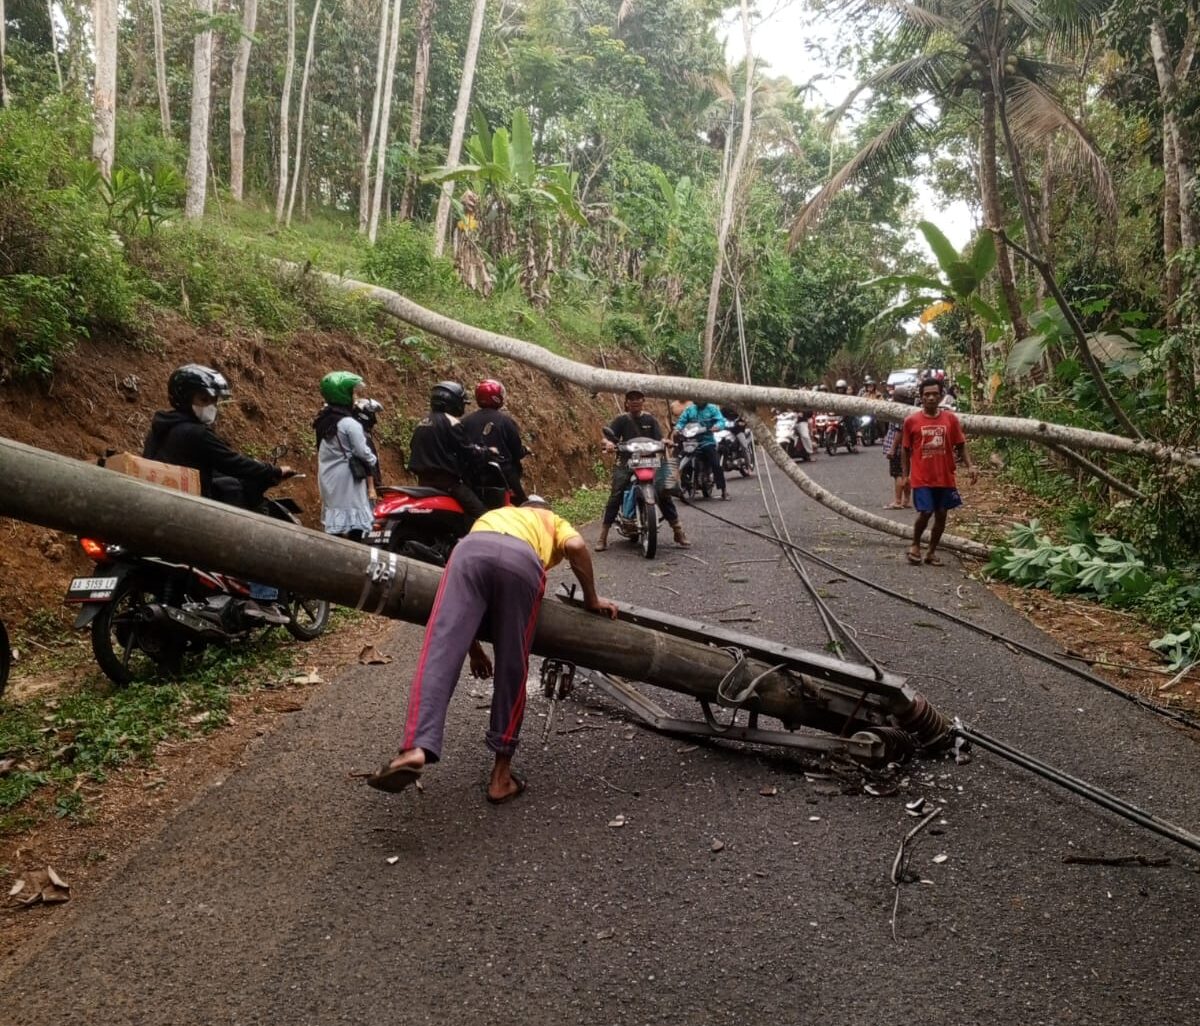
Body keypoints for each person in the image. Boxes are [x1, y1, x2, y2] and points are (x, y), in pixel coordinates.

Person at [367, 498, 619, 803]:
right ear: (544, 509)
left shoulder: (496, 514)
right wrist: (591, 599)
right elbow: (577, 546)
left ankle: (416, 747)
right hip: (521, 562)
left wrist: (473, 651)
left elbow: (464, 616)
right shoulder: (552, 521)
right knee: (513, 664)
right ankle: (501, 777)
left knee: (441, 646)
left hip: (471, 551)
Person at [143, 363, 296, 621]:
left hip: (161, 510)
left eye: (214, 400)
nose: (211, 405)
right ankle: (264, 599)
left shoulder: (161, 429)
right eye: (204, 399)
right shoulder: (196, 434)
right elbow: (233, 462)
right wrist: (274, 471)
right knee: (259, 538)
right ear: (184, 398)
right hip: (195, 513)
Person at [596, 389, 690, 551]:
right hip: (627, 461)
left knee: (663, 491)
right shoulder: (621, 420)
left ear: (643, 401)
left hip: (650, 461)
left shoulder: (650, 419)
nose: (635, 401)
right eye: (631, 399)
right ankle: (603, 536)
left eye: (638, 398)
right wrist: (609, 444)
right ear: (626, 402)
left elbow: (659, 438)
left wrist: (666, 442)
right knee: (616, 494)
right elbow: (607, 438)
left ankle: (678, 530)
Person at [901, 376, 978, 566]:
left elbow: (961, 445)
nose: (931, 398)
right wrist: (905, 476)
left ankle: (931, 552)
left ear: (941, 395)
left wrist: (970, 465)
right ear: (920, 397)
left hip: (945, 476)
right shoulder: (911, 421)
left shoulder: (950, 419)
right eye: (927, 395)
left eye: (935, 394)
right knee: (926, 511)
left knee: (942, 514)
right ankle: (915, 544)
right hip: (922, 477)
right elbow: (905, 450)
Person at [407, 381, 487, 524]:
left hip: (424, 482)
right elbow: (466, 450)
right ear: (453, 402)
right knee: (482, 515)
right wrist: (484, 452)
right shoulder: (451, 422)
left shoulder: (423, 421)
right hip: (448, 484)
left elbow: (413, 445)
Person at [313, 371, 378, 542]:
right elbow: (362, 452)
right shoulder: (349, 423)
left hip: (327, 475)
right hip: (347, 478)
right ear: (343, 394)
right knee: (355, 521)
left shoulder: (323, 420)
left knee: (335, 517)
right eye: (353, 393)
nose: (355, 397)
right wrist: (372, 459)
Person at [461, 379, 530, 506]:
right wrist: (524, 451)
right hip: (502, 476)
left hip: (473, 475)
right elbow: (516, 451)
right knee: (523, 505)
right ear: (496, 398)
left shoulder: (465, 421)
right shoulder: (505, 421)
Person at [674, 398, 728, 499]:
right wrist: (677, 429)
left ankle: (723, 490)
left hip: (707, 441)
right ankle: (684, 484)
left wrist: (717, 426)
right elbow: (681, 421)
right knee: (680, 458)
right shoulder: (689, 410)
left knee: (716, 463)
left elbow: (721, 420)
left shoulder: (712, 409)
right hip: (691, 441)